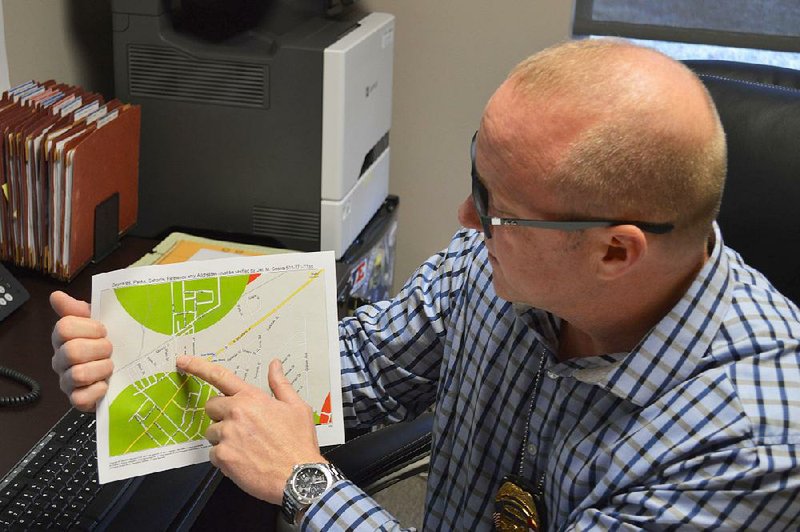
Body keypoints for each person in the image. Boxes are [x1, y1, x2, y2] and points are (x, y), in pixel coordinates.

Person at [50, 38, 800, 530]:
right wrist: (140, 359)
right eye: (481, 178)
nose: (466, 217)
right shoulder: (493, 266)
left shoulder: (750, 447)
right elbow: (364, 367)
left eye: (499, 211)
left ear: (615, 253)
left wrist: (307, 486)